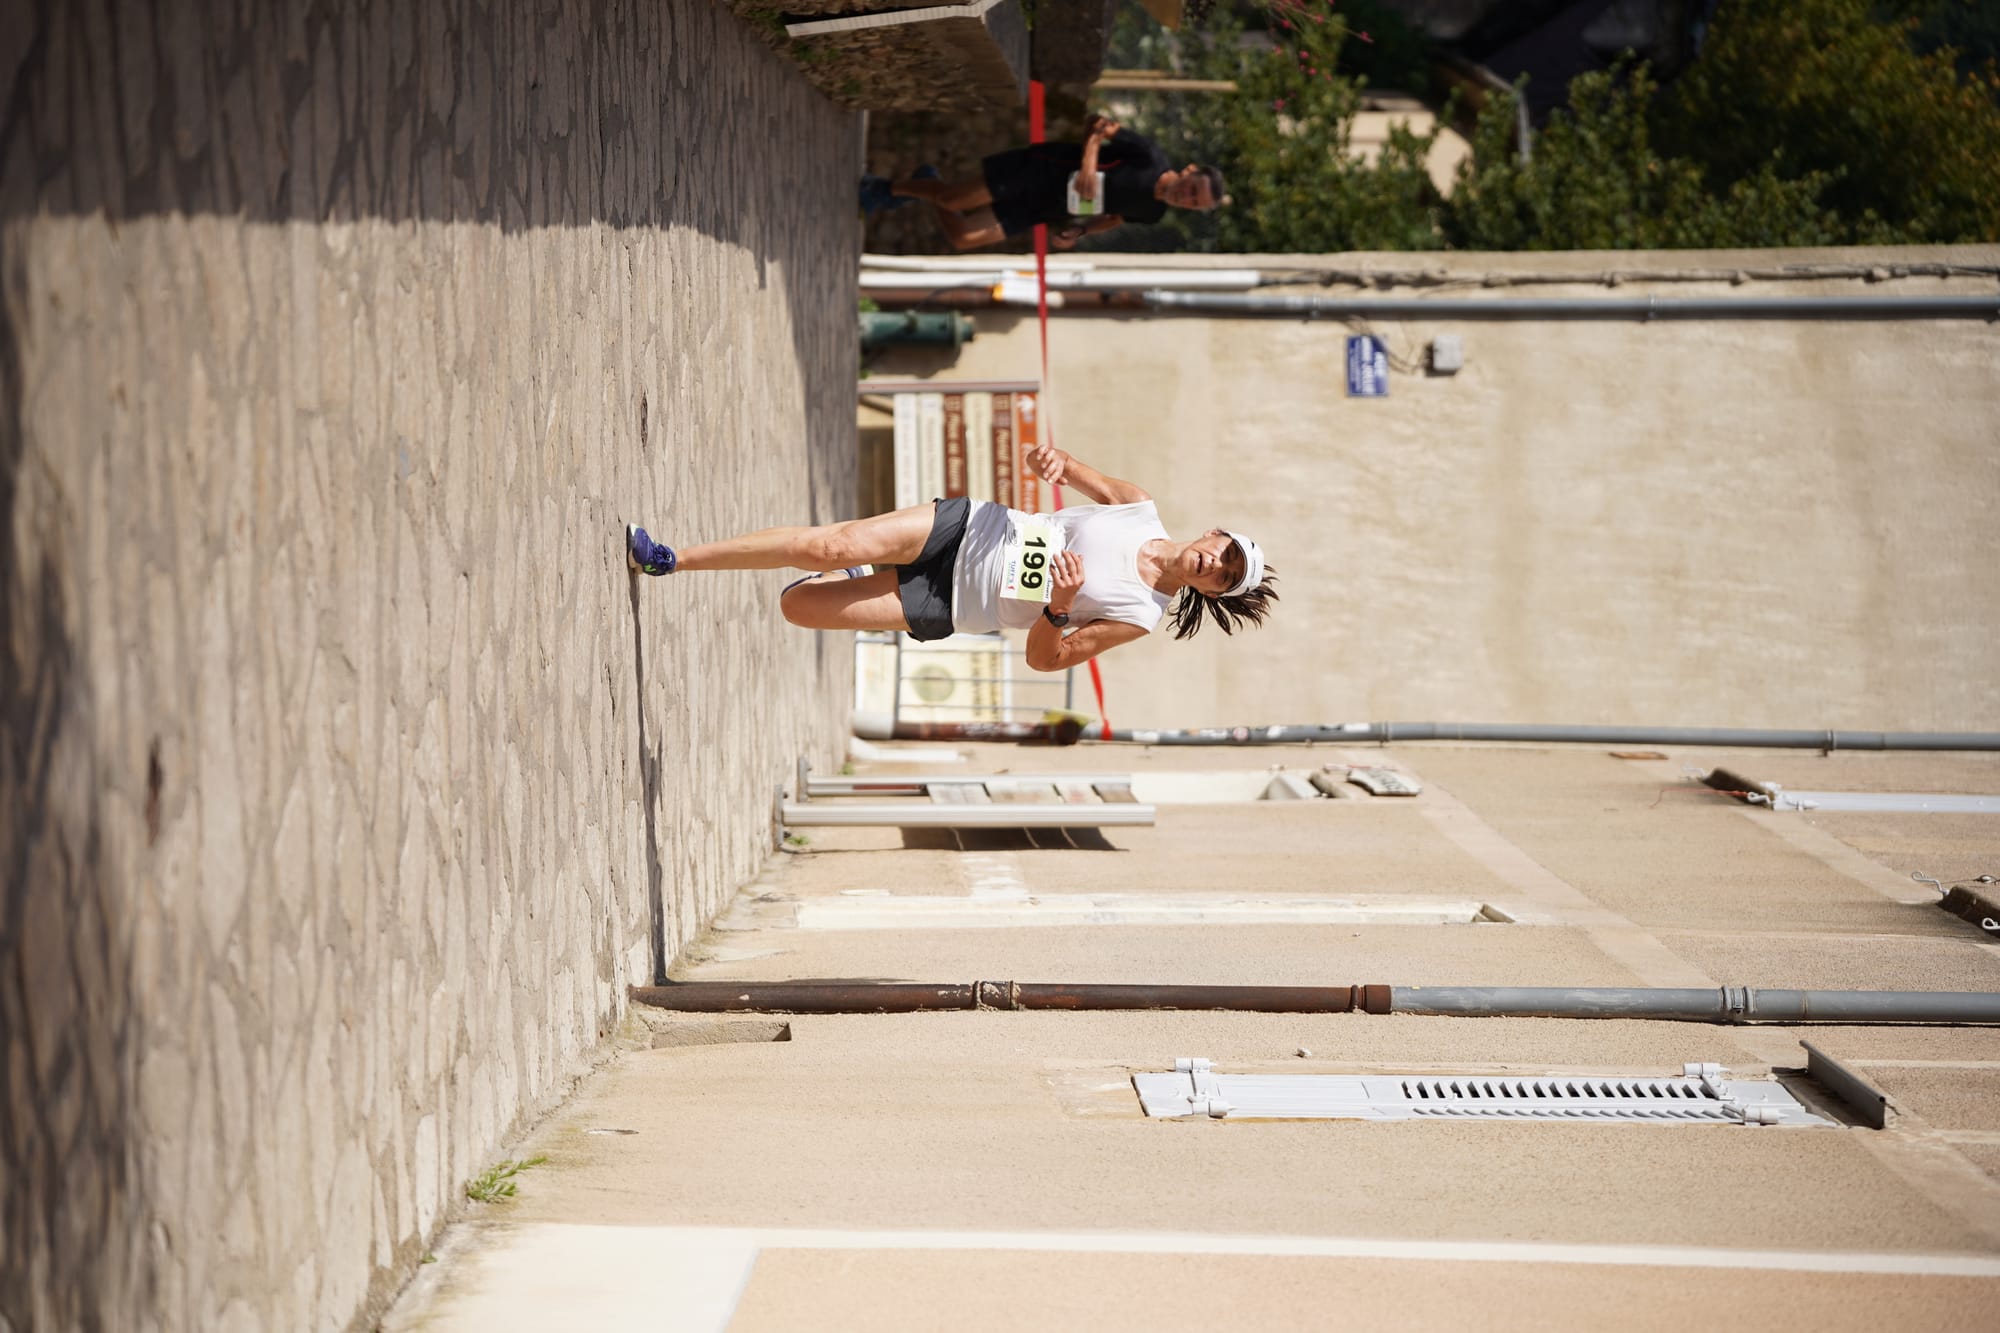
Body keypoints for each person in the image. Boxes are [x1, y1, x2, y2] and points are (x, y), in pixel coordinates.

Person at [626, 440, 1276, 672]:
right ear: (1212, 534)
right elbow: (1060, 464)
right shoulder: (1136, 505)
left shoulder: (1139, 613)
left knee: (801, 607)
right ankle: (671, 558)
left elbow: (1048, 660)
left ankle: (857, 578)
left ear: (1214, 594)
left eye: (1225, 578)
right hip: (968, 530)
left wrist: (1058, 607)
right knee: (827, 543)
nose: (1214, 566)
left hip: (951, 603)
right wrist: (1047, 460)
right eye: (1224, 554)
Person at [861, 114, 1227, 252]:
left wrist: (1080, 232)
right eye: (1193, 189)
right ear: (1189, 171)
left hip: (1045, 208)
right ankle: (887, 189)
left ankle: (927, 183)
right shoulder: (1149, 155)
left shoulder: (1154, 212)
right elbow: (1098, 123)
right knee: (955, 201)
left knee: (963, 237)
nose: (1187, 197)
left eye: (1194, 202)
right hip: (1040, 171)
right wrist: (1087, 163)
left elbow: (1115, 217)